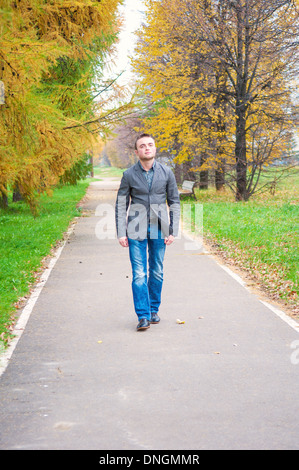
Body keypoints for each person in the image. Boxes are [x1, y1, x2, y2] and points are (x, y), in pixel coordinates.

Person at [115, 133, 180, 331]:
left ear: (155, 148)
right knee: (139, 273)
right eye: (142, 146)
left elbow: (174, 201)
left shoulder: (167, 172)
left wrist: (173, 230)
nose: (147, 148)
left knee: (157, 271)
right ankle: (142, 316)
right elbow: (121, 204)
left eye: (150, 145)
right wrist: (120, 232)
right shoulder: (129, 175)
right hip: (136, 227)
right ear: (137, 152)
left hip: (160, 227)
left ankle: (153, 310)